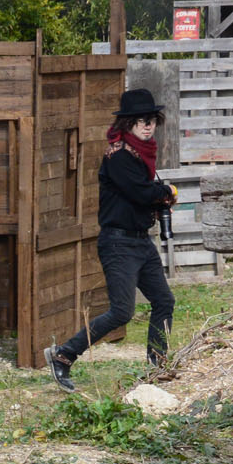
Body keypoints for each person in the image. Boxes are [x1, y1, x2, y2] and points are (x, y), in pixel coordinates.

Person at [43, 88, 179, 392]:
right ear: (127, 123)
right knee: (121, 311)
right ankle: (64, 355)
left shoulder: (140, 155)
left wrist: (159, 198)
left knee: (164, 300)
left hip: (140, 241)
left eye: (152, 120)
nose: (148, 126)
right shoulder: (119, 157)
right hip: (118, 243)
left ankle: (158, 367)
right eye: (141, 121)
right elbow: (140, 193)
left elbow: (141, 196)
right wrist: (165, 193)